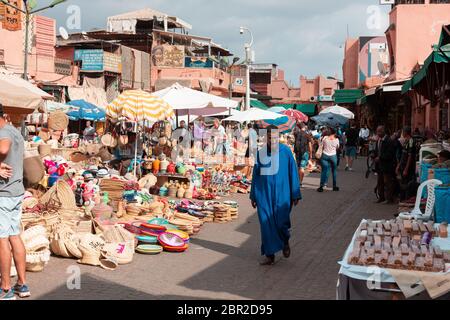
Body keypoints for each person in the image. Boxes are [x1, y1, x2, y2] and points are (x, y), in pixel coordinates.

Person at [250, 125, 301, 265]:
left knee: (281, 223)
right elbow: (255, 175)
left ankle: (285, 241)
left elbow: (293, 172)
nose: (272, 140)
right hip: (264, 195)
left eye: (275, 137)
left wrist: (295, 193)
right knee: (265, 224)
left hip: (282, 194)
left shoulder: (286, 152)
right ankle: (269, 254)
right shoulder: (260, 154)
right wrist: (253, 195)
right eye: (270, 137)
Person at [0, 104, 30, 300]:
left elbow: (3, 147)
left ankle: (5, 288)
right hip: (17, 191)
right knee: (14, 236)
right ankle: (22, 284)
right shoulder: (15, 131)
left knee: (2, 240)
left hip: (3, 193)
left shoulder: (4, 133)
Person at [374, 126, 397, 204]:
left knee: (387, 182)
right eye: (377, 132)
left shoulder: (389, 141)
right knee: (380, 182)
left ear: (383, 131)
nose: (378, 133)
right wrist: (374, 156)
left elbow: (390, 154)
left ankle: (389, 199)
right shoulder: (379, 140)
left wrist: (380, 158)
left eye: (379, 131)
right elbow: (377, 151)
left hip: (387, 165)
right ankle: (381, 197)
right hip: (379, 165)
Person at [397, 126, 417, 202]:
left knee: (407, 184)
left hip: (408, 167)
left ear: (406, 132)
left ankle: (406, 200)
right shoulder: (406, 141)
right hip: (403, 165)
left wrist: (406, 169)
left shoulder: (411, 141)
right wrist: (399, 165)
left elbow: (410, 156)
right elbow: (403, 155)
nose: (402, 133)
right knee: (402, 183)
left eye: (403, 132)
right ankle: (402, 200)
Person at [317, 127, 340, 193]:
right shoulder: (337, 140)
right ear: (334, 133)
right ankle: (334, 186)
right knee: (334, 171)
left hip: (325, 155)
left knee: (324, 170)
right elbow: (337, 148)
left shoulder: (324, 138)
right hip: (333, 156)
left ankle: (321, 186)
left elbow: (320, 144)